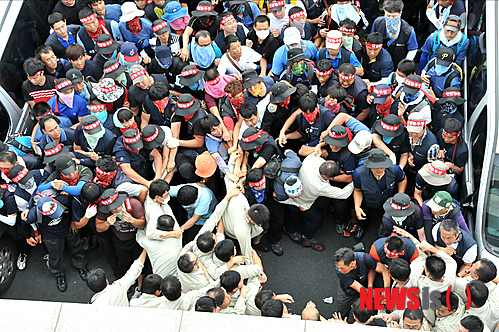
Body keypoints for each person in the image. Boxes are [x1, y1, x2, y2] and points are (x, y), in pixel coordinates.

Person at [26, 195, 88, 292]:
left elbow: (73, 208)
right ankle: (59, 274)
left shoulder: (63, 200)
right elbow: (26, 222)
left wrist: (73, 221)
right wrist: (34, 233)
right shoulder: (33, 214)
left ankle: (81, 265)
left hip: (68, 228)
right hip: (50, 236)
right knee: (55, 256)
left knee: (76, 247)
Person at [352, 148, 407, 239]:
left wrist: (400, 195)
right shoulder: (358, 174)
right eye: (376, 166)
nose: (380, 169)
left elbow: (403, 180)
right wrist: (357, 206)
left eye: (382, 166)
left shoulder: (395, 170)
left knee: (386, 219)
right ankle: (361, 227)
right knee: (363, 218)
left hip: (387, 202)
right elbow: (357, 190)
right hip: (368, 202)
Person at [95, 187, 146, 278]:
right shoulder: (103, 208)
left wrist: (132, 220)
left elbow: (143, 224)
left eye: (118, 205)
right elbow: (99, 227)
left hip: (136, 239)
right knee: (123, 263)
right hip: (119, 240)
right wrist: (107, 223)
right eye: (113, 208)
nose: (117, 209)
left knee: (139, 262)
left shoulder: (134, 204)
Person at [334, 247, 391, 322]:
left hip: (365, 282)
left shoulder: (365, 258)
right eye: (338, 267)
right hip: (349, 289)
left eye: (342, 268)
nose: (339, 270)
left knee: (370, 309)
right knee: (341, 311)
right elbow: (360, 288)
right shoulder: (339, 272)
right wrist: (379, 297)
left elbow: (384, 271)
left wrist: (386, 292)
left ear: (352, 264)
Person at [371, 0, 418, 68]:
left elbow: (412, 49)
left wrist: (404, 65)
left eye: (394, 16)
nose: (390, 18)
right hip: (380, 62)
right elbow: (372, 41)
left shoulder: (408, 31)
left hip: (398, 63)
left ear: (400, 13)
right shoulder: (378, 23)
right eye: (388, 15)